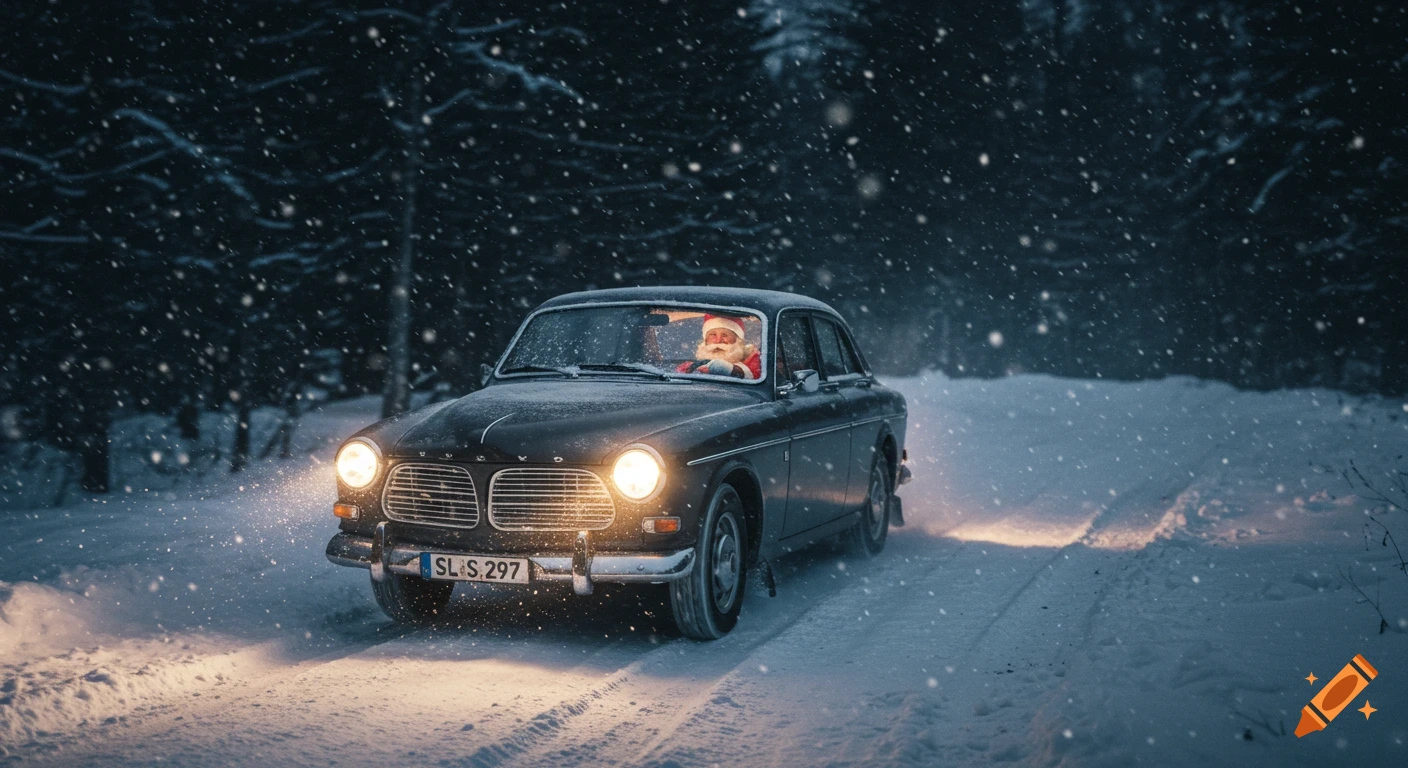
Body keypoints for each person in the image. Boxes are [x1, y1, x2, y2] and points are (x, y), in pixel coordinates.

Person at [677, 314, 762, 379]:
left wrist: (730, 370)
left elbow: (753, 373)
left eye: (725, 335)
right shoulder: (692, 366)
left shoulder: (753, 360)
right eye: (713, 335)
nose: (718, 340)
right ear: (705, 341)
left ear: (737, 340)